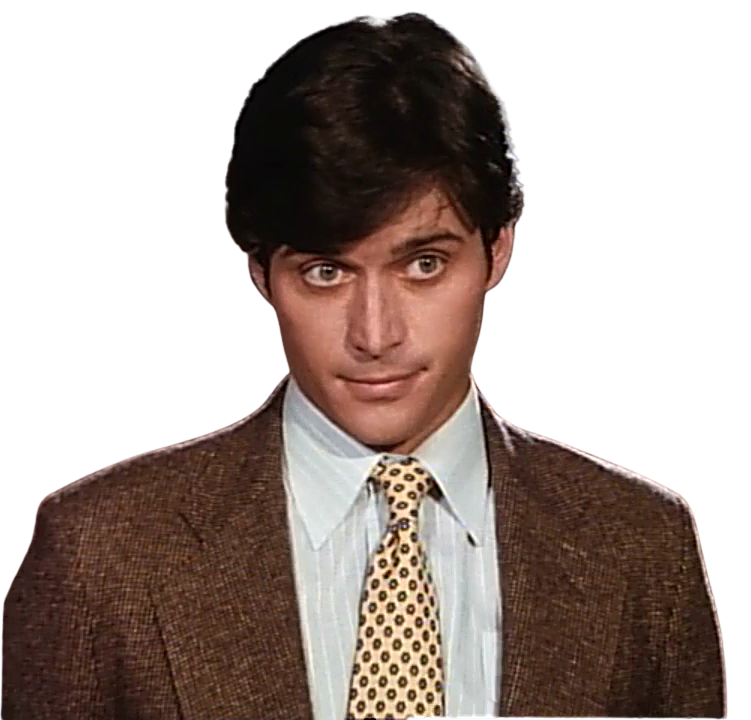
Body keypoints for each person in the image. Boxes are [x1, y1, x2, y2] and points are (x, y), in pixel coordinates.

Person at [2, 12, 726, 720]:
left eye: (423, 264)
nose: (375, 334)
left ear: (498, 248)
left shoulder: (641, 544)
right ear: (259, 272)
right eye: (325, 272)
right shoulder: (101, 552)